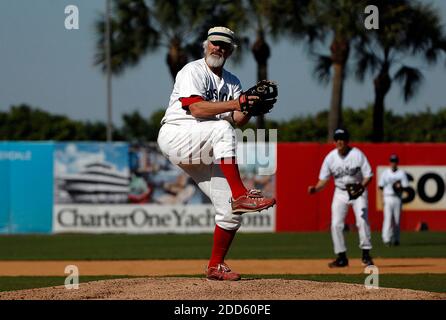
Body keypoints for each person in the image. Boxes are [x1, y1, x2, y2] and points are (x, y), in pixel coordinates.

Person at [157, 26, 276, 281]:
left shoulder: (232, 81)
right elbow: (198, 109)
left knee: (230, 211)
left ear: (230, 51)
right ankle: (241, 193)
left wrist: (251, 107)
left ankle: (216, 265)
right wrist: (238, 103)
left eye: (224, 45)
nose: (218, 48)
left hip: (203, 145)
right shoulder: (192, 70)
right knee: (221, 129)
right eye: (214, 43)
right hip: (177, 135)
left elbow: (238, 119)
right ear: (205, 45)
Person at [308, 128, 374, 268]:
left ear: (347, 141)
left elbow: (369, 175)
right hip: (340, 192)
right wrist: (315, 188)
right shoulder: (331, 157)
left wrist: (361, 187)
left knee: (362, 221)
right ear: (334, 141)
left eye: (342, 139)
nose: (340, 142)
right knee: (336, 224)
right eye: (337, 139)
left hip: (358, 190)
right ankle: (342, 257)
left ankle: (366, 255)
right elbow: (323, 180)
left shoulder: (357, 155)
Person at [378, 154, 409, 246]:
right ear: (389, 162)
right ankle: (386, 239)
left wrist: (399, 187)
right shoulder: (385, 173)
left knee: (397, 220)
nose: (393, 163)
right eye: (392, 161)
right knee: (387, 219)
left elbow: (406, 187)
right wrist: (381, 200)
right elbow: (380, 187)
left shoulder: (401, 173)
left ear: (397, 162)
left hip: (397, 197)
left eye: (395, 161)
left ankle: (396, 239)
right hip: (387, 197)